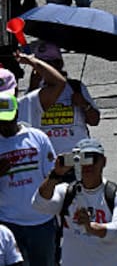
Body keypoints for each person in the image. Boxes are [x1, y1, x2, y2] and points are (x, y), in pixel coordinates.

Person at [32, 137, 117, 266]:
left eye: (92, 159)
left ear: (103, 162)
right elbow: (39, 204)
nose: (88, 165)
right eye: (82, 159)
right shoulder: (66, 192)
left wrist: (91, 227)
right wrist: (55, 174)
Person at [0, 89, 56, 266]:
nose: (4, 125)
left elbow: (52, 175)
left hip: (41, 220)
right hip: (9, 221)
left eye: (8, 119)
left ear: (16, 114)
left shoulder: (37, 137)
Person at [16, 44, 99, 156]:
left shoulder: (75, 87)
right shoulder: (34, 92)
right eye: (40, 65)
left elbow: (94, 121)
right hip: (47, 160)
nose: (43, 69)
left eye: (47, 64)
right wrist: (33, 87)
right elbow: (25, 125)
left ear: (59, 64)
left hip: (76, 156)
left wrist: (85, 105)